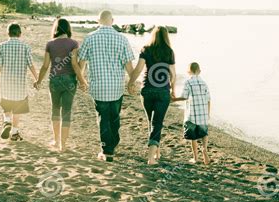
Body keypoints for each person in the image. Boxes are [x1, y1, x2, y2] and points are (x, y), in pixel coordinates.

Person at [78, 10, 135, 162]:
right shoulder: (122, 39)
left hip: (98, 86)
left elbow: (81, 63)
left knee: (103, 117)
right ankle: (112, 144)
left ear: (98, 21)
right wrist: (131, 82)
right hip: (116, 86)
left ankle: (107, 149)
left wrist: (82, 80)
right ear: (112, 20)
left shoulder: (90, 38)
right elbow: (129, 65)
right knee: (114, 116)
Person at [34, 18, 88, 151]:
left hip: (54, 80)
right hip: (69, 81)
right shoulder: (73, 43)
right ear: (68, 29)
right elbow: (75, 65)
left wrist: (39, 81)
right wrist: (82, 81)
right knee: (66, 112)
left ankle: (56, 141)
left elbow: (45, 66)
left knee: (55, 110)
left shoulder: (50, 44)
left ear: (56, 29)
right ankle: (63, 145)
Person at [128, 26, 176, 165]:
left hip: (147, 90)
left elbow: (138, 69)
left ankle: (156, 151)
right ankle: (150, 158)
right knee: (157, 122)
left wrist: (130, 82)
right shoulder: (169, 51)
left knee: (152, 122)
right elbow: (173, 74)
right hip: (162, 92)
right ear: (166, 36)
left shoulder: (146, 49)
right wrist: (173, 91)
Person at [0, 23, 38, 141]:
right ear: (20, 34)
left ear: (8, 33)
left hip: (6, 84)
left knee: (6, 106)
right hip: (20, 86)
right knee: (17, 110)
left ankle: (7, 122)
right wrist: (36, 79)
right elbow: (31, 65)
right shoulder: (25, 47)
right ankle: (14, 132)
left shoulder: (2, 46)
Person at [172, 62, 211, 164]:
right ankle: (205, 150)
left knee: (193, 136)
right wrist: (208, 113)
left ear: (188, 71)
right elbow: (209, 100)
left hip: (192, 114)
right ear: (199, 71)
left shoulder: (188, 82)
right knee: (204, 133)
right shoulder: (204, 83)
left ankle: (195, 157)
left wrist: (174, 99)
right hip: (203, 114)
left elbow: (184, 96)